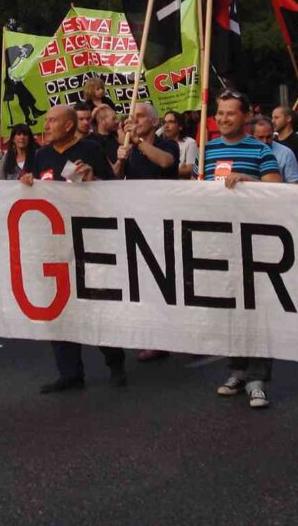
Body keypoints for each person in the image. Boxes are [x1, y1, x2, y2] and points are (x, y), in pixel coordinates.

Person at [19, 105, 124, 393]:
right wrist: (27, 183)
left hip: (88, 240)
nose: (46, 125)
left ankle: (115, 361)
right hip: (54, 242)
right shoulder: (41, 155)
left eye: (52, 120)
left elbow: (113, 190)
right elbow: (34, 188)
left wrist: (94, 179)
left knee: (96, 304)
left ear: (68, 126)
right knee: (59, 306)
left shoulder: (89, 149)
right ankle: (70, 373)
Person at [195, 91, 281, 409]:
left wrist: (249, 180)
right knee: (230, 311)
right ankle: (238, 371)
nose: (224, 119)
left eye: (231, 113)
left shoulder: (260, 150)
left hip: (254, 243)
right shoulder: (207, 150)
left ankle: (258, 379)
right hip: (218, 240)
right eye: (219, 113)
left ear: (246, 116)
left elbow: (277, 188)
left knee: (256, 312)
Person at [117, 102, 180, 364]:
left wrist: (139, 142)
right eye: (133, 116)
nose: (136, 120)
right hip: (136, 220)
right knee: (142, 281)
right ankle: (153, 337)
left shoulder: (167, 144)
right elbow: (113, 177)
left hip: (162, 220)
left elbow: (166, 163)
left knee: (165, 281)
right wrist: (121, 159)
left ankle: (167, 335)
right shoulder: (129, 148)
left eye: (141, 116)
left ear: (155, 122)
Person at [251, 115, 298, 183]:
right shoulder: (244, 152)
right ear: (252, 136)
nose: (265, 141)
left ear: (273, 134)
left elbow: (294, 184)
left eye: (269, 137)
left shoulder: (286, 154)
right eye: (261, 137)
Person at [162, 110, 197, 178]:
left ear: (180, 126)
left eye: (171, 122)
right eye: (164, 122)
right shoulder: (161, 144)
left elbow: (190, 169)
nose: (166, 126)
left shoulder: (189, 143)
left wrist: (166, 173)